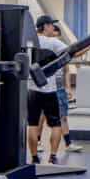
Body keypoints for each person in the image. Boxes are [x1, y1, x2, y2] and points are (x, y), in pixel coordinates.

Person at [28, 15, 69, 165]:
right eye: (51, 25)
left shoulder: (30, 42)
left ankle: (33, 157)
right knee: (56, 125)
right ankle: (52, 156)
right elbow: (73, 52)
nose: (53, 28)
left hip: (32, 89)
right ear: (45, 26)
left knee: (32, 124)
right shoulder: (53, 42)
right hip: (49, 91)